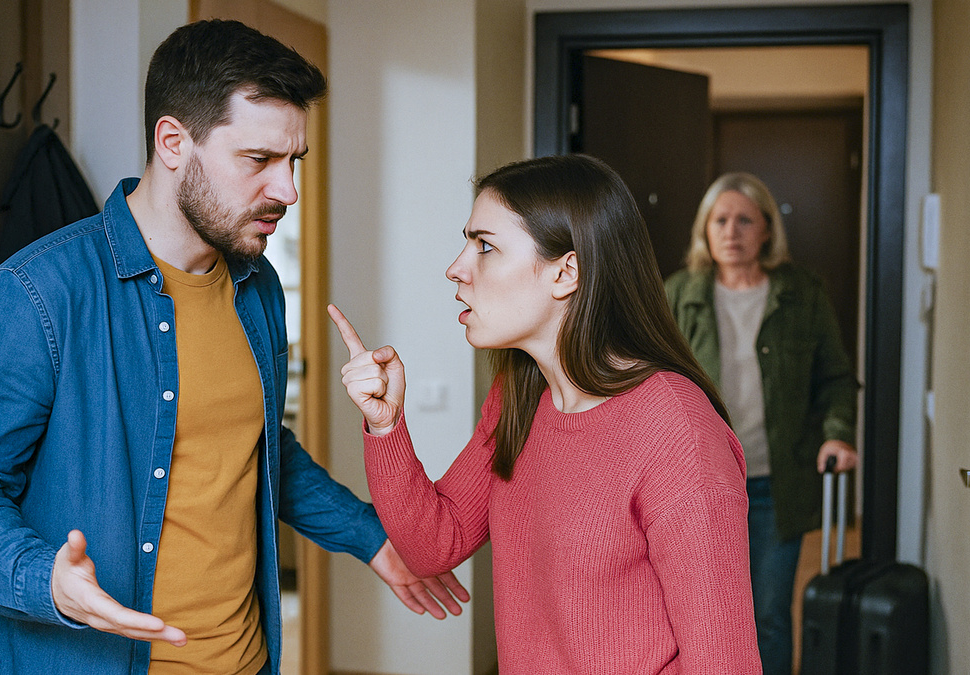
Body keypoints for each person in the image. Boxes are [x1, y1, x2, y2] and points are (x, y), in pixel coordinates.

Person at [0, 19, 467, 674]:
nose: (288, 190)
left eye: (294, 160)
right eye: (259, 160)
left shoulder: (257, 286)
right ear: (173, 142)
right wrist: (43, 580)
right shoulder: (37, 292)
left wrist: (371, 535)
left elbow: (257, 447)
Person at [328, 154, 761, 674]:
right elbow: (433, 544)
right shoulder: (519, 395)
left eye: (485, 246)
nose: (456, 268)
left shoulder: (676, 429)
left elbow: (724, 662)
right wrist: (386, 425)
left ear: (565, 272)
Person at [663, 172, 859, 674]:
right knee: (704, 617)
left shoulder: (802, 293)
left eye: (745, 220)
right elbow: (650, 384)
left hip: (776, 482)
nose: (732, 232)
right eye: (720, 220)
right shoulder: (678, 294)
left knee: (768, 615)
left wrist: (838, 433)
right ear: (705, 230)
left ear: (767, 229)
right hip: (699, 484)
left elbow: (836, 377)